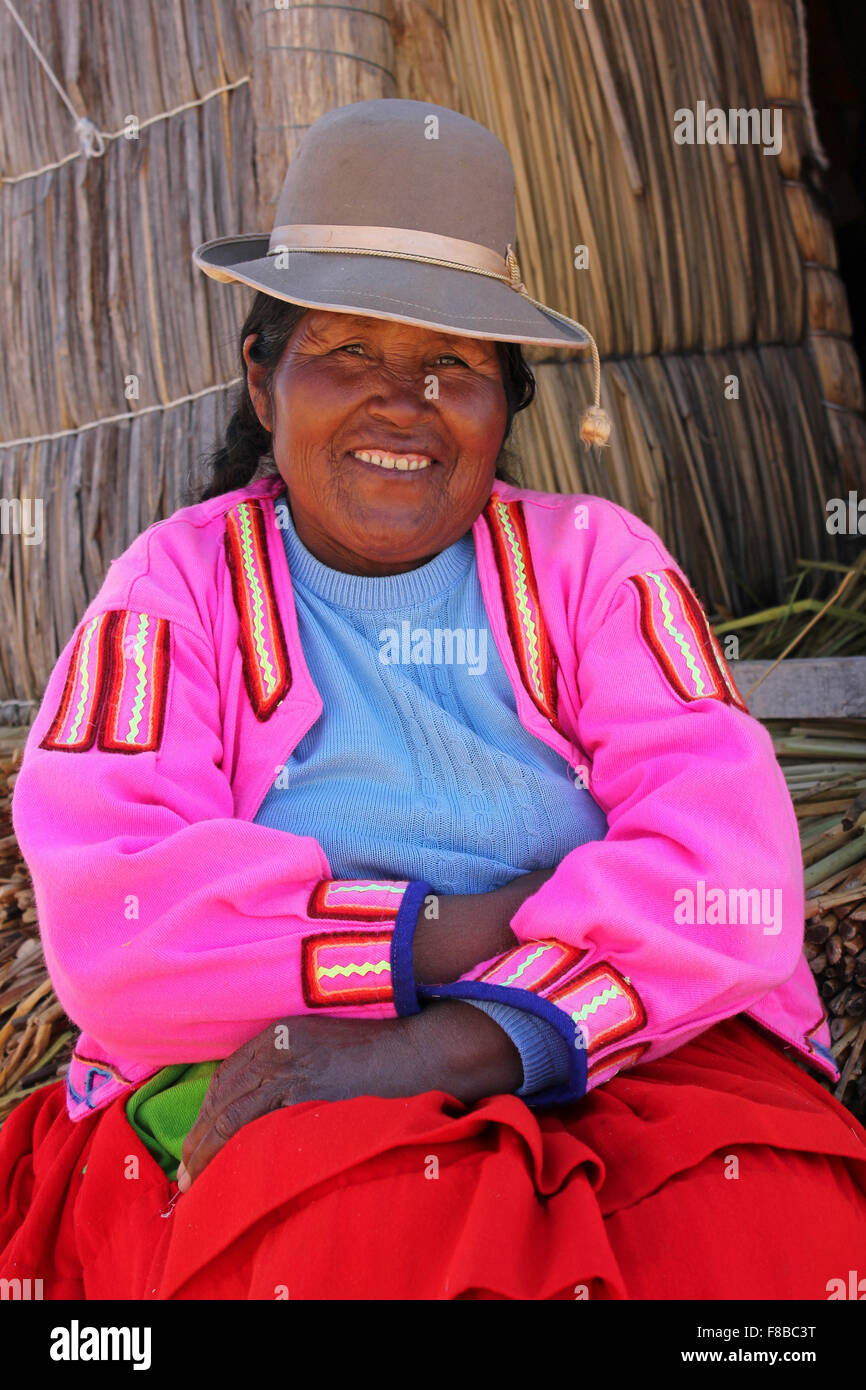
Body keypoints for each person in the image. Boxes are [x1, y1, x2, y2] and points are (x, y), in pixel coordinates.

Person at [1, 99, 864, 1301]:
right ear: (264, 378)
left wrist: (450, 1037)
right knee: (356, 1244)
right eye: (348, 349)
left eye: (451, 364)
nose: (400, 402)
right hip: (294, 1044)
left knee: (768, 1227)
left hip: (606, 1033)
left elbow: (729, 881)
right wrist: (455, 934)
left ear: (504, 399)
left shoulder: (596, 567)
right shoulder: (172, 594)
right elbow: (119, 922)